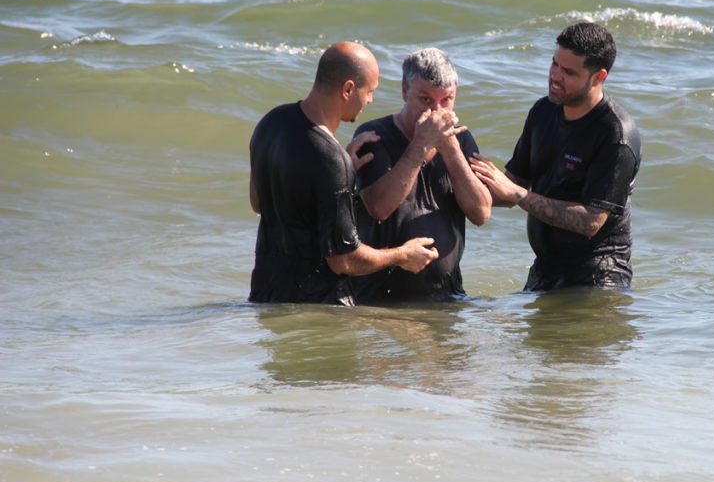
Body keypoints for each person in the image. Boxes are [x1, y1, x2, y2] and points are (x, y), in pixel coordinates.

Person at [248, 42, 438, 305]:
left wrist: (338, 176)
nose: (370, 100)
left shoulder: (270, 124)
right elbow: (344, 260)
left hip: (267, 296)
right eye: (369, 91)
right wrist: (402, 255)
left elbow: (259, 203)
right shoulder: (331, 159)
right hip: (320, 312)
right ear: (348, 89)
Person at [470, 22, 642, 291]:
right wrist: (452, 176)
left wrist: (519, 195)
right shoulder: (543, 112)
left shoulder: (615, 134)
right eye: (554, 65)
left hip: (597, 280)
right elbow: (508, 186)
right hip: (544, 272)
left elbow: (591, 221)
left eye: (568, 72)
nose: (555, 76)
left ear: (598, 77)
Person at [349, 47, 491, 302]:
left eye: (446, 100)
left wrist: (450, 149)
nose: (436, 111)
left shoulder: (460, 139)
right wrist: (420, 145)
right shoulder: (374, 135)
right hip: (380, 301)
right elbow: (379, 207)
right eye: (425, 100)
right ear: (405, 91)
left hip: (448, 296)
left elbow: (480, 213)